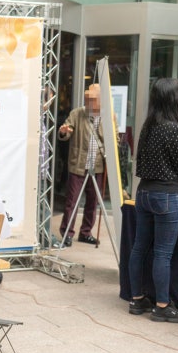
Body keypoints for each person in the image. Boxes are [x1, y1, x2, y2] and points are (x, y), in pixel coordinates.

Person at [127, 77, 178, 322]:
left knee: (139, 248)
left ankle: (136, 299)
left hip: (144, 193)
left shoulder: (147, 127)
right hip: (166, 196)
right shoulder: (175, 129)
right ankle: (161, 305)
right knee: (162, 253)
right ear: (173, 99)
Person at [57, 83, 108, 247]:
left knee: (93, 202)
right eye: (89, 99)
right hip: (79, 163)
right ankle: (67, 234)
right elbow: (65, 129)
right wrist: (64, 131)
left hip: (97, 165)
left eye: (94, 100)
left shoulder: (108, 116)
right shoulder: (77, 113)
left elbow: (112, 139)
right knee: (72, 201)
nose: (91, 103)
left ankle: (86, 232)